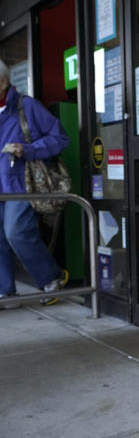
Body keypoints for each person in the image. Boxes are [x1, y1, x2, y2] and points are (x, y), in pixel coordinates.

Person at [0, 58, 69, 308]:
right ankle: (4, 290)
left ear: (4, 82)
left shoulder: (25, 106)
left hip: (21, 184)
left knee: (16, 233)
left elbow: (60, 137)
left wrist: (28, 149)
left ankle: (51, 277)